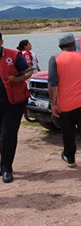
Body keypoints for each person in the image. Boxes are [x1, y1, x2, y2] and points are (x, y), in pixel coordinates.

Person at [48, 33, 81, 178]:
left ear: (60, 47)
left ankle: (70, 157)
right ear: (73, 45)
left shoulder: (55, 59)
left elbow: (53, 84)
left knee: (68, 132)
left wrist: (53, 104)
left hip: (65, 104)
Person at [0, 32, 33, 183]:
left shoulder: (13, 55)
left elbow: (28, 72)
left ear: (1, 41)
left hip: (12, 102)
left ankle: (7, 167)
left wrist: (17, 79)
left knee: (8, 135)